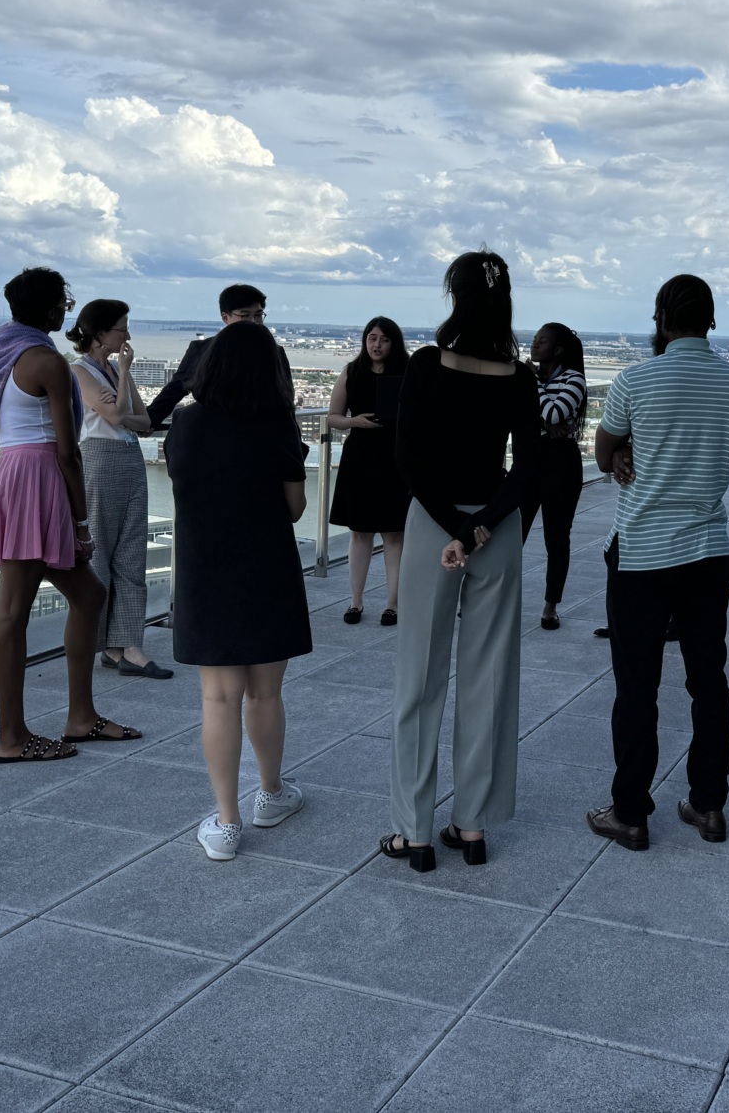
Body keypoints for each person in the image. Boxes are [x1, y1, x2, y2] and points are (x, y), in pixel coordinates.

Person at [0, 268, 144, 763]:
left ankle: (81, 717)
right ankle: (11, 738)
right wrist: (80, 523)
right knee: (12, 613)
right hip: (36, 481)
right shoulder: (47, 361)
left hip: (16, 476)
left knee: (90, 593)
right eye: (62, 301)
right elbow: (66, 450)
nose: (66, 309)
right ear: (50, 308)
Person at [585, 275, 729, 851]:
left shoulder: (635, 379)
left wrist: (629, 451)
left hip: (643, 551)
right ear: (711, 319)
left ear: (660, 318)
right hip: (708, 551)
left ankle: (630, 812)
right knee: (709, 682)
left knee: (637, 687)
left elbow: (604, 451)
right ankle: (709, 806)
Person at [385, 251, 541, 872]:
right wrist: (479, 527)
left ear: (455, 295)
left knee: (419, 678)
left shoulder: (425, 367)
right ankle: (472, 826)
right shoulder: (520, 377)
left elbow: (410, 461)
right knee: (489, 677)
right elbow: (528, 469)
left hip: (433, 527)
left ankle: (413, 832)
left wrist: (452, 527)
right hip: (496, 529)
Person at [164, 321, 314, 860]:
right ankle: (270, 794)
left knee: (219, 697)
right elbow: (296, 508)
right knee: (265, 692)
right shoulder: (279, 425)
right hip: (267, 567)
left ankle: (226, 823)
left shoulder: (185, 424)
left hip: (207, 571)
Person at [66, 298, 170, 679]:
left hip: (128, 457)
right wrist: (124, 375)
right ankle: (106, 645)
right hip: (100, 458)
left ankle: (128, 645)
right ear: (99, 333)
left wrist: (121, 382)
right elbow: (114, 414)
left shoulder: (109, 370)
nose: (127, 335)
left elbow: (142, 421)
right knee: (103, 551)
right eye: (121, 328)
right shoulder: (80, 372)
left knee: (131, 553)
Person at [326, 317, 410, 627]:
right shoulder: (352, 371)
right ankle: (356, 602)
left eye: (384, 339)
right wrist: (354, 422)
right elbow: (334, 417)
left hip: (394, 457)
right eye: (371, 338)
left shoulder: (408, 372)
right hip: (360, 457)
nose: (376, 344)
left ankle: (393, 604)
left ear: (393, 343)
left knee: (393, 534)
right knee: (359, 533)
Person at [521, 322, 589, 632]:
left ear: (558, 349)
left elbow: (551, 415)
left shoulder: (574, 379)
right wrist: (549, 425)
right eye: (534, 340)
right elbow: (521, 417)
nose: (534, 345)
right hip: (529, 459)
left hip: (561, 464)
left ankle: (550, 607)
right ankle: (490, 596)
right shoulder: (530, 378)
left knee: (557, 538)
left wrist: (532, 384)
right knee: (511, 535)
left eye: (542, 341)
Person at [143, 283, 277, 432]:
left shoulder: (274, 351)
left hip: (260, 432)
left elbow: (282, 395)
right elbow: (176, 388)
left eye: (258, 315)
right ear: (225, 317)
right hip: (214, 432)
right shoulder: (202, 349)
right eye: (245, 315)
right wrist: (148, 421)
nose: (253, 321)